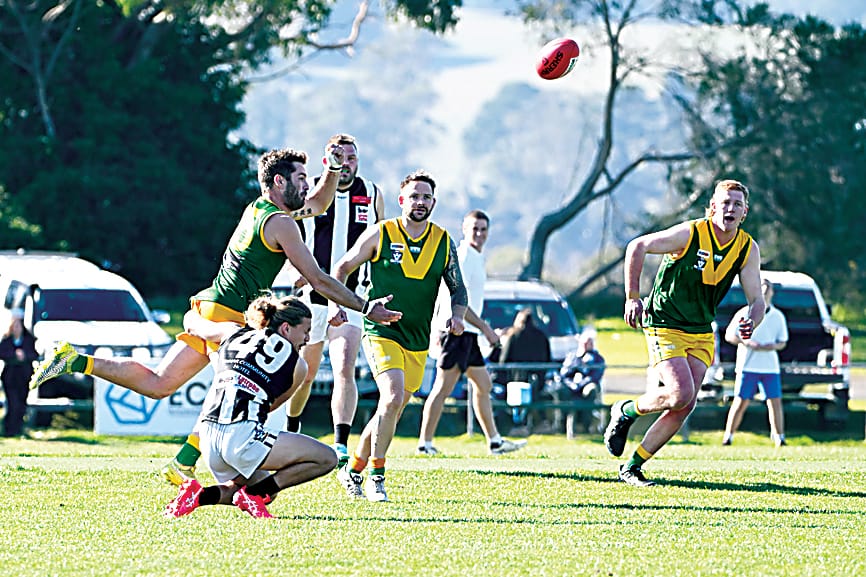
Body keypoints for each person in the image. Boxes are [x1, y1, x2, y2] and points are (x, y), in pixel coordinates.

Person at [30, 145, 401, 485]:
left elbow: (318, 205)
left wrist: (332, 170)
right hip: (230, 316)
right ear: (279, 181)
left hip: (214, 305)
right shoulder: (282, 224)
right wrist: (366, 306)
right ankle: (185, 463)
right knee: (234, 391)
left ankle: (74, 359)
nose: (308, 185)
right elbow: (318, 277)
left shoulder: (260, 208)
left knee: (159, 384)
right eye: (301, 179)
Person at [606, 179, 764, 487]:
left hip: (700, 330)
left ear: (744, 213)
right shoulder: (691, 233)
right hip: (665, 323)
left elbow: (757, 300)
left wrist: (752, 319)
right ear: (713, 207)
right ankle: (625, 411)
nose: (730, 208)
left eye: (737, 204)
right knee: (681, 393)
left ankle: (633, 467)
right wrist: (632, 296)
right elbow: (637, 246)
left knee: (685, 405)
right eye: (725, 202)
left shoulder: (747, 247)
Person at [332, 169, 468, 502]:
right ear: (401, 200)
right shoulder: (382, 233)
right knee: (391, 398)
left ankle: (353, 470)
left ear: (433, 202)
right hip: (381, 331)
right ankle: (377, 477)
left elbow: (457, 287)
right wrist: (340, 305)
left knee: (390, 409)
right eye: (414, 196)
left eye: (426, 197)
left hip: (418, 340)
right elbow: (343, 267)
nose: (420, 202)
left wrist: (458, 316)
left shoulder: (443, 241)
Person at [164, 294, 337, 519]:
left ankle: (198, 494)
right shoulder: (298, 366)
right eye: (305, 331)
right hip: (239, 436)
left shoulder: (233, 331)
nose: (307, 338)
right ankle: (255, 495)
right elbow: (270, 406)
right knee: (327, 458)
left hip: (207, 440)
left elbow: (192, 324)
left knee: (263, 487)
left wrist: (196, 310)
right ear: (286, 328)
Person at [280, 134, 385, 468]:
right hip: (312, 295)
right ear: (328, 161)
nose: (347, 164)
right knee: (305, 372)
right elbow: (289, 232)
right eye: (339, 158)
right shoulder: (311, 191)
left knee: (344, 366)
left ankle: (340, 442)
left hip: (353, 296)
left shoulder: (371, 194)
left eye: (352, 157)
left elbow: (380, 239)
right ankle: (290, 428)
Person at [417, 210, 526, 456]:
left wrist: (481, 329)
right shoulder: (464, 256)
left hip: (468, 334)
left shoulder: (476, 257)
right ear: (464, 229)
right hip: (456, 331)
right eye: (474, 228)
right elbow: (458, 301)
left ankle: (494, 441)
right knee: (442, 389)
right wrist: (486, 328)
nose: (479, 234)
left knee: (483, 384)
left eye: (483, 229)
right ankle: (425, 443)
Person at [722, 278, 788, 446]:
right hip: (747, 366)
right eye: (762, 287)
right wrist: (747, 342)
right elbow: (730, 335)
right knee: (741, 400)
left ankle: (779, 438)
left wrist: (771, 346)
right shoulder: (744, 313)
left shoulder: (778, 316)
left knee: (775, 401)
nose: (765, 291)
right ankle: (728, 437)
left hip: (770, 367)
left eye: (768, 288)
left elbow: (782, 342)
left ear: (772, 292)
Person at [498, 308, 551, 429]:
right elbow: (548, 358)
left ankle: (518, 424)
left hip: (516, 378)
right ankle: (537, 422)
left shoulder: (513, 336)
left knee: (517, 403)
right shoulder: (541, 336)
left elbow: (504, 360)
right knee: (535, 398)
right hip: (538, 378)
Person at [0, 310, 38, 437]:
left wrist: (25, 356)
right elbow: (2, 353)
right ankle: (9, 430)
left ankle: (19, 429)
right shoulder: (6, 340)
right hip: (10, 377)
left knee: (21, 403)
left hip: (24, 376)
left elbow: (34, 354)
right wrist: (14, 355)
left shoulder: (28, 339)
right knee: (12, 403)